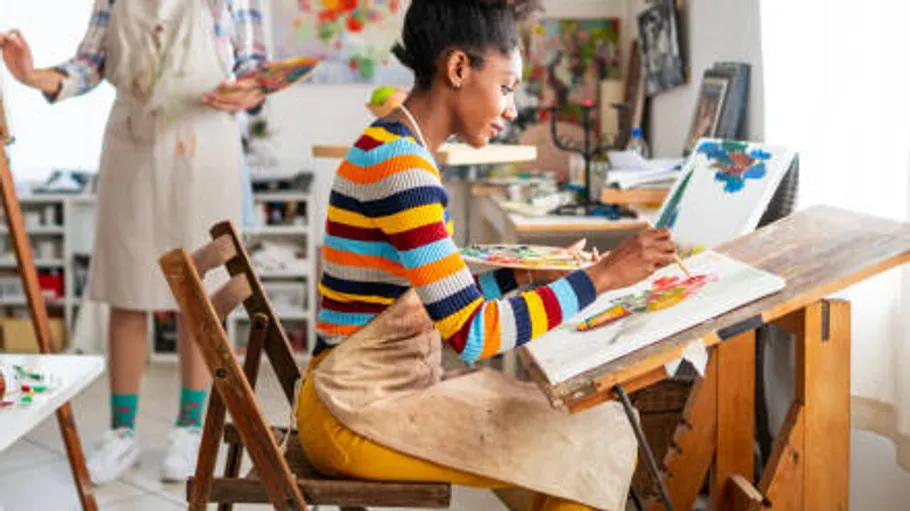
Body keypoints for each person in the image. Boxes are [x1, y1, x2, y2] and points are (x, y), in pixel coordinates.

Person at [296, 1, 677, 510]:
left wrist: (523, 276)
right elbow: (473, 335)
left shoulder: (396, 147)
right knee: (584, 444)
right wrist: (603, 277)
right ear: (458, 69)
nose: (512, 109)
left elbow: (438, 307)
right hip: (354, 413)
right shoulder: (401, 167)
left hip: (372, 392)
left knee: (578, 436)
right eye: (506, 87)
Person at [0, 0, 267, 485]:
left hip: (203, 141)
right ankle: (121, 433)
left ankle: (189, 428)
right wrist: (35, 76)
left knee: (198, 294)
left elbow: (254, 66)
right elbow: (90, 63)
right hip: (133, 142)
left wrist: (250, 91)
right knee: (126, 287)